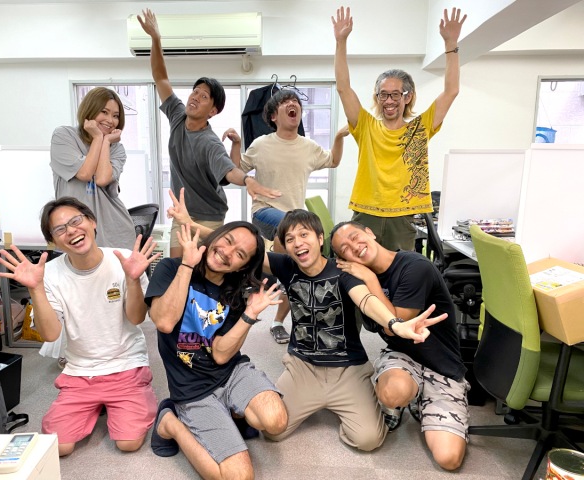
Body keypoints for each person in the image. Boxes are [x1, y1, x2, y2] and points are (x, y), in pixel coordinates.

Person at [261, 210, 447, 452]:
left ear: (320, 239)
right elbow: (248, 251)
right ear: (285, 247)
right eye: (290, 239)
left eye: (304, 235)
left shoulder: (343, 271)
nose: (297, 243)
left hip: (346, 369)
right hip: (303, 367)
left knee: (368, 440)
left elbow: (366, 300)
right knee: (272, 430)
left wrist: (394, 323)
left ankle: (357, 401)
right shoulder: (286, 266)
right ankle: (315, 398)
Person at [0, 197, 159, 457]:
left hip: (126, 364)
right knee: (59, 446)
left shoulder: (125, 260)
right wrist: (35, 289)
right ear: (52, 241)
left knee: (128, 443)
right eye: (60, 229)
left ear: (92, 222)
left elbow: (137, 318)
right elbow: (50, 334)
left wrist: (132, 280)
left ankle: (129, 397)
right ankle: (100, 404)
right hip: (80, 371)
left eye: (76, 221)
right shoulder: (49, 274)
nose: (71, 231)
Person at [144, 222, 288, 479]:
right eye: (228, 241)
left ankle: (231, 411)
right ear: (217, 236)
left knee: (275, 422)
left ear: (241, 266)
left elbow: (221, 354)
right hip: (192, 389)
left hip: (231, 372)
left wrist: (249, 314)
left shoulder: (234, 290)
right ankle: (170, 423)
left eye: (240, 254)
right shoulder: (171, 268)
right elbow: (164, 322)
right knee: (238, 477)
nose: (227, 252)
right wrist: (187, 265)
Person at [137, 8, 281, 259]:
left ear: (213, 111)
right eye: (195, 92)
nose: (195, 97)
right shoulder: (177, 115)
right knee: (176, 266)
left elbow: (229, 170)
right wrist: (156, 39)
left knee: (204, 270)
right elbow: (160, 78)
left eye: (204, 97)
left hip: (209, 216)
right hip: (182, 212)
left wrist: (248, 180)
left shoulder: (209, 142)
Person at [330, 221, 468, 470]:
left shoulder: (415, 267)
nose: (354, 247)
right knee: (393, 393)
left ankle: (423, 400)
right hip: (402, 355)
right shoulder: (357, 278)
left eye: (355, 237)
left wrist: (371, 279)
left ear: (370, 232)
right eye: (345, 249)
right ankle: (408, 397)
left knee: (449, 459)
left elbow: (396, 323)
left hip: (442, 365)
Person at [332, 6, 467, 252]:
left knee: (401, 272)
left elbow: (451, 91)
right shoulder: (365, 125)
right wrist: (341, 42)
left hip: (403, 218)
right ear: (377, 97)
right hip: (366, 213)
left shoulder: (420, 128)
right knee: (359, 270)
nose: (389, 101)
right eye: (383, 94)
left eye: (395, 94)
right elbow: (343, 88)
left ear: (408, 96)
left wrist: (451, 44)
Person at [223, 89, 350, 344]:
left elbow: (334, 161)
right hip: (264, 212)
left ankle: (279, 321)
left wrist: (338, 136)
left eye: (295, 101)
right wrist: (236, 144)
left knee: (298, 269)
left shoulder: (308, 147)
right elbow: (236, 169)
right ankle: (283, 279)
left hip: (291, 221)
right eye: (285, 102)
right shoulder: (261, 144)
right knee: (290, 230)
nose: (293, 104)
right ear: (273, 116)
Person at [50, 86, 136, 250]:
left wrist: (105, 141)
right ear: (90, 109)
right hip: (74, 232)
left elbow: (102, 179)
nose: (110, 120)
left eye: (115, 116)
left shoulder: (116, 149)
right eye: (104, 112)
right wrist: (97, 137)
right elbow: (85, 173)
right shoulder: (64, 136)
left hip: (115, 232)